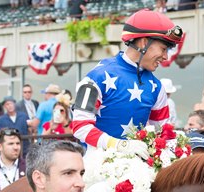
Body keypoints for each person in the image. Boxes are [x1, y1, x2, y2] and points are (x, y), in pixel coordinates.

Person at [72, 9, 183, 159]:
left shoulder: (157, 87)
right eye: (163, 49)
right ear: (144, 42)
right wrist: (119, 145)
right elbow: (80, 126)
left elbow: (163, 133)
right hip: (98, 167)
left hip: (140, 169)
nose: (165, 57)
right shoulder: (96, 77)